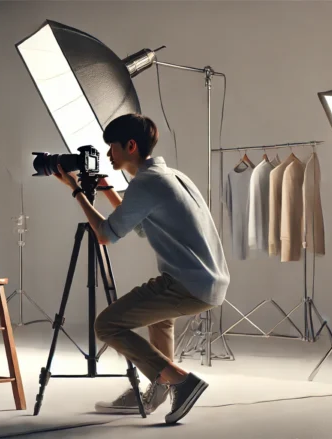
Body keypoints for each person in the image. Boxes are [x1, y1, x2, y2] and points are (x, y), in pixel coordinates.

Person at [53, 113, 229, 424]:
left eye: (112, 148)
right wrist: (106, 189)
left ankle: (179, 381)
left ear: (131, 146)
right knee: (159, 321)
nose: (108, 154)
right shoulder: (170, 176)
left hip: (188, 285)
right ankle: (158, 389)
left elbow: (106, 235)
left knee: (106, 326)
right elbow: (140, 227)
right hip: (209, 281)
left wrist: (76, 191)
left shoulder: (147, 184)